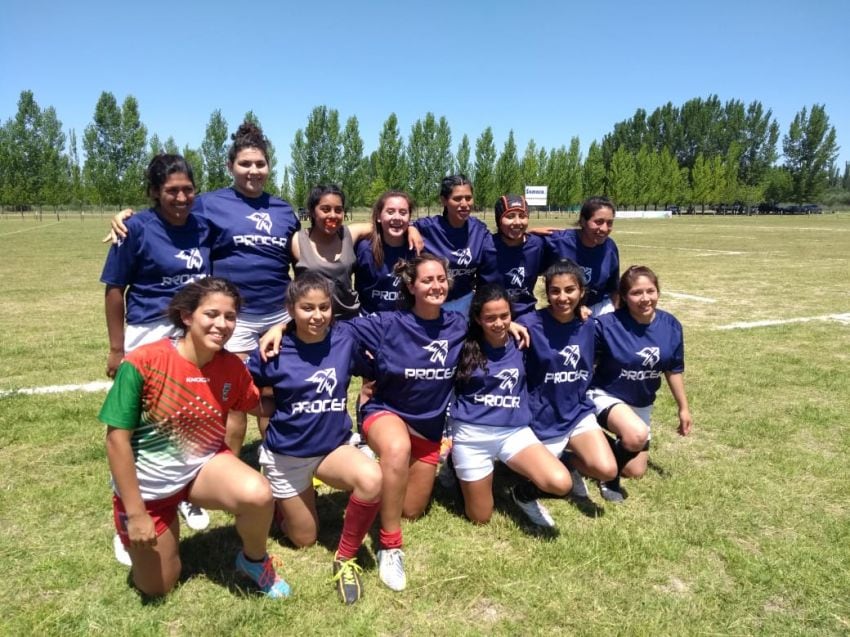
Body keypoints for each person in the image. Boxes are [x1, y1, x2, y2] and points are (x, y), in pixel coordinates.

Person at [260, 254, 527, 591]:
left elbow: (493, 323)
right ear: (411, 285)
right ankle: (390, 545)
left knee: (410, 510)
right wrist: (280, 326)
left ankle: (393, 480)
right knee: (397, 449)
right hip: (385, 414)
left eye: (441, 279)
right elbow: (323, 323)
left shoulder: (458, 325)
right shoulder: (386, 323)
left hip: (428, 430)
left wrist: (514, 324)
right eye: (427, 280)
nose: (435, 286)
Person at [108, 122, 301, 452]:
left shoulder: (284, 209)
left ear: (269, 166)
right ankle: (229, 464)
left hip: (276, 315)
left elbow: (303, 255)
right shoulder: (207, 203)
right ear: (230, 166)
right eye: (245, 164)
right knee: (236, 394)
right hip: (230, 317)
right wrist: (125, 218)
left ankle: (279, 461)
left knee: (271, 392)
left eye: (260, 164)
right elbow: (167, 210)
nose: (253, 170)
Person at [100, 277, 289, 599]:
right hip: (149, 488)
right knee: (158, 588)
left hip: (200, 471)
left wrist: (301, 391)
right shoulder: (144, 362)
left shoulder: (230, 366)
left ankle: (254, 561)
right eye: (211, 314)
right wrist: (136, 513)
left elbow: (258, 405)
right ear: (187, 316)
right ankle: (141, 526)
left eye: (230, 317)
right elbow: (116, 441)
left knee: (258, 493)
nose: (222, 324)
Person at [247, 272, 382, 605]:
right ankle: (285, 506)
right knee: (304, 539)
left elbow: (376, 363)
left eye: (324, 307)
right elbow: (246, 390)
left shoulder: (344, 338)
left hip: (331, 448)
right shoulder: (273, 347)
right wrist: (268, 411)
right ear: (291, 308)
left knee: (371, 478)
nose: (318, 315)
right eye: (307, 308)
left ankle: (345, 557)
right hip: (288, 455)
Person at [100, 153, 214, 546]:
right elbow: (115, 290)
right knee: (136, 427)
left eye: (187, 190)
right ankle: (126, 510)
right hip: (148, 332)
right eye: (171, 191)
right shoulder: (135, 228)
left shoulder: (203, 225)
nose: (181, 198)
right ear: (154, 192)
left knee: (184, 415)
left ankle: (179, 492)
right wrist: (117, 349)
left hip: (191, 332)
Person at [450, 284, 572, 528]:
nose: (498, 323)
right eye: (490, 318)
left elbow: (557, 319)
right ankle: (454, 468)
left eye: (505, 316)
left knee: (561, 482)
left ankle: (521, 495)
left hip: (513, 432)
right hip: (471, 435)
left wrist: (581, 311)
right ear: (477, 318)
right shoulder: (463, 344)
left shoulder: (522, 341)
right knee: (480, 517)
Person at [517, 259, 618, 513]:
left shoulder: (589, 324)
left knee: (607, 469)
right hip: (542, 417)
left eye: (570, 290)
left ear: (582, 292)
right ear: (547, 292)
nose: (563, 297)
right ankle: (525, 491)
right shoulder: (530, 323)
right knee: (550, 481)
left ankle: (571, 462)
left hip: (577, 413)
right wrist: (508, 324)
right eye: (555, 291)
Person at [589, 265, 693, 502]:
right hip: (605, 394)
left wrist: (683, 408)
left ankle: (598, 446)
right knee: (636, 435)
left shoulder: (671, 325)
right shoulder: (606, 325)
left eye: (651, 291)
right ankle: (608, 478)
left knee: (635, 471)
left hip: (641, 402)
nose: (645, 298)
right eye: (636, 293)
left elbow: (673, 368)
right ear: (624, 296)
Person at [413, 175, 500, 315]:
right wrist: (411, 229)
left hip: (464, 304)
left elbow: (500, 242)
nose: (464, 204)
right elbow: (392, 229)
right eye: (457, 199)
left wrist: (528, 233)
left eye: (468, 198)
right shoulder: (427, 228)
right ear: (444, 201)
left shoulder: (478, 230)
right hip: (430, 304)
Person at [543, 196, 619, 316]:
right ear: (583, 221)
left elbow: (613, 289)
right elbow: (524, 243)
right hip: (564, 307)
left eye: (609, 223)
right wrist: (530, 232)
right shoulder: (558, 241)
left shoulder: (610, 247)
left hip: (598, 308)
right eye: (598, 222)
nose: (604, 228)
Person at [354, 190, 417, 314]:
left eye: (403, 212)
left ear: (409, 217)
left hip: (404, 324)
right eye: (390, 212)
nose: (397, 217)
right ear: (378, 216)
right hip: (369, 323)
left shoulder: (416, 248)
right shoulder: (364, 248)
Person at [492, 194, 546, 318]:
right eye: (510, 216)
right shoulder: (486, 246)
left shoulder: (538, 245)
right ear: (498, 220)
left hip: (526, 315)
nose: (517, 222)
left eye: (522, 216)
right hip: (493, 316)